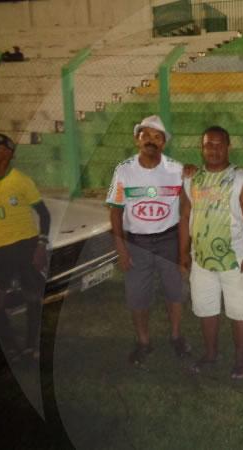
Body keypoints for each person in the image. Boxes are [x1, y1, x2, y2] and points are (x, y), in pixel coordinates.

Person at [106, 115, 191, 365]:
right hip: (137, 243)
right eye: (146, 135)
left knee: (175, 292)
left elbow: (185, 209)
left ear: (164, 143)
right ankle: (144, 341)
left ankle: (176, 336)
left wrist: (184, 250)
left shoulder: (176, 170)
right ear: (137, 139)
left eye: (157, 137)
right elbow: (115, 210)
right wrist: (121, 247)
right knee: (137, 296)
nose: (151, 141)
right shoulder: (124, 170)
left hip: (169, 239)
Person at [183, 126, 243, 379]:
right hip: (201, 260)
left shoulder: (240, 179)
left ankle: (240, 360)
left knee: (240, 311)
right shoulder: (192, 178)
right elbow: (185, 217)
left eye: (218, 144)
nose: (213, 150)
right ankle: (211, 353)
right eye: (208, 145)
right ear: (201, 148)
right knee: (206, 308)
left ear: (228, 147)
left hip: (234, 260)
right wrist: (183, 252)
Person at [0, 133, 49, 363]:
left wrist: (41, 245)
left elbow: (43, 214)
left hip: (25, 246)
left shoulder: (21, 181)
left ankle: (32, 346)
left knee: (34, 295)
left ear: (7, 152)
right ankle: (10, 348)